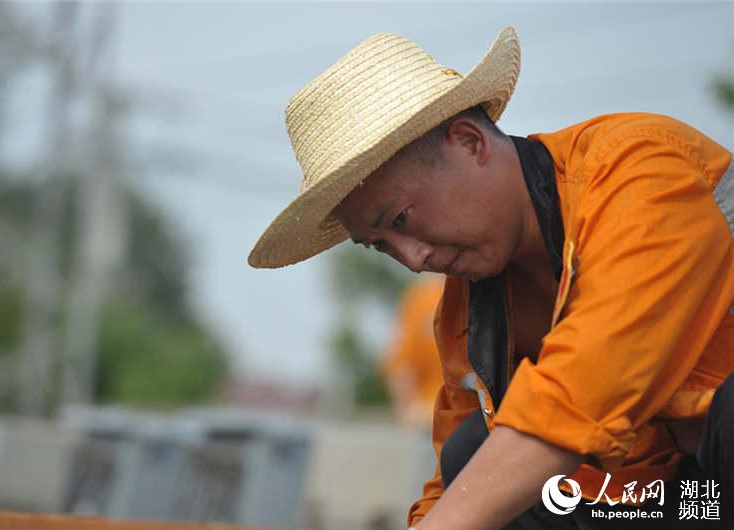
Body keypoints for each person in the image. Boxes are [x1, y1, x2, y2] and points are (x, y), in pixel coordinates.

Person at [248, 27, 734, 529]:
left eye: (400, 220)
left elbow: (581, 396)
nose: (412, 261)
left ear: (468, 141)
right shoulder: (464, 314)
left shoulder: (639, 173)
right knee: (471, 460)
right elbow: (454, 490)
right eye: (382, 245)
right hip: (675, 498)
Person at [381, 275, 445, 429]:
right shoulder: (422, 298)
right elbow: (401, 363)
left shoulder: (422, 296)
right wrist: (409, 407)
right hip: (431, 414)